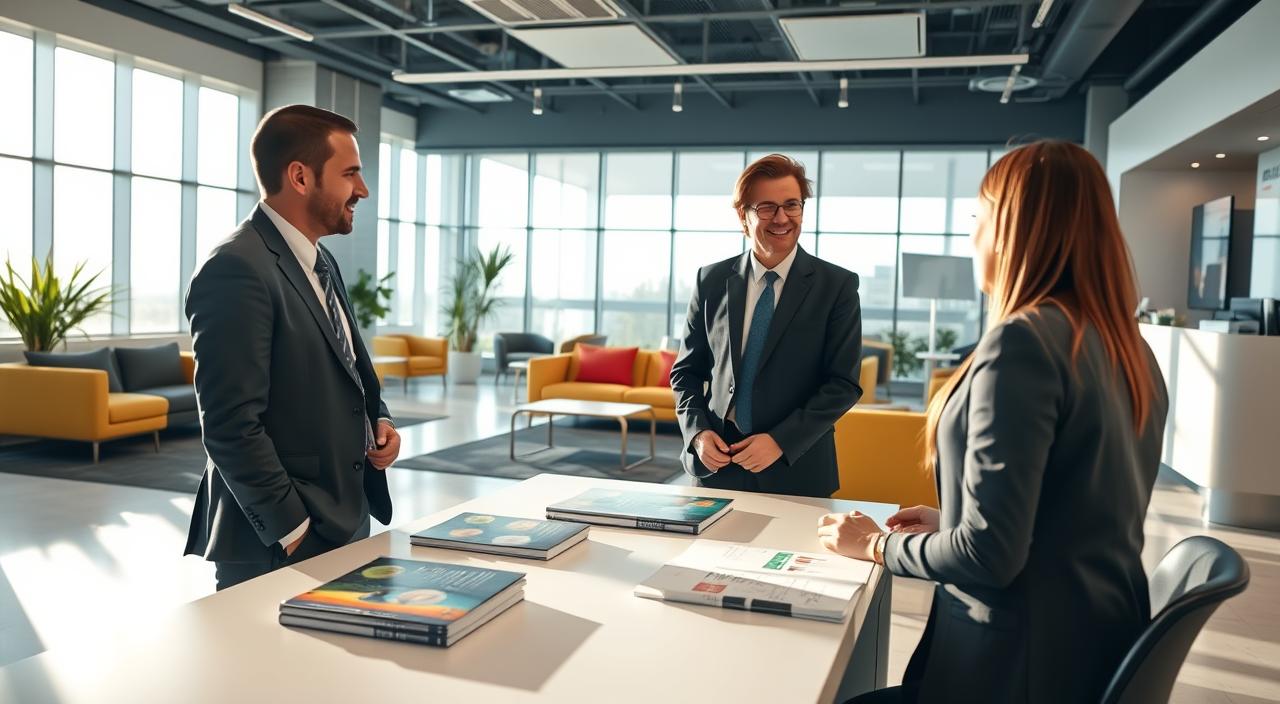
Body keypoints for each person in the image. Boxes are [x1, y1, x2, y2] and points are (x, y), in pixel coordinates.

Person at [818, 141, 1170, 703]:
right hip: (1083, 654)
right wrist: (952, 518)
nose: (973, 234)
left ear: (1013, 229)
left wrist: (875, 546)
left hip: (1012, 669)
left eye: (979, 217)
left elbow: (989, 557)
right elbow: (1083, 509)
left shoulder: (1023, 342)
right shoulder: (1129, 347)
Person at [184, 105, 401, 591]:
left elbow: (343, 365)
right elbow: (229, 425)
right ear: (300, 177)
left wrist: (377, 419)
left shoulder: (320, 261)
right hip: (278, 545)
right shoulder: (236, 269)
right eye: (350, 174)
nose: (361, 190)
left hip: (341, 524)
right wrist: (295, 533)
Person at [670, 154, 863, 498]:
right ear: (742, 215)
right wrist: (697, 433)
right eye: (767, 208)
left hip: (795, 467)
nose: (782, 218)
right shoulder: (711, 280)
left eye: (792, 205)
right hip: (717, 465)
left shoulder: (837, 286)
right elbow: (685, 372)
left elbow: (842, 384)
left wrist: (780, 441)